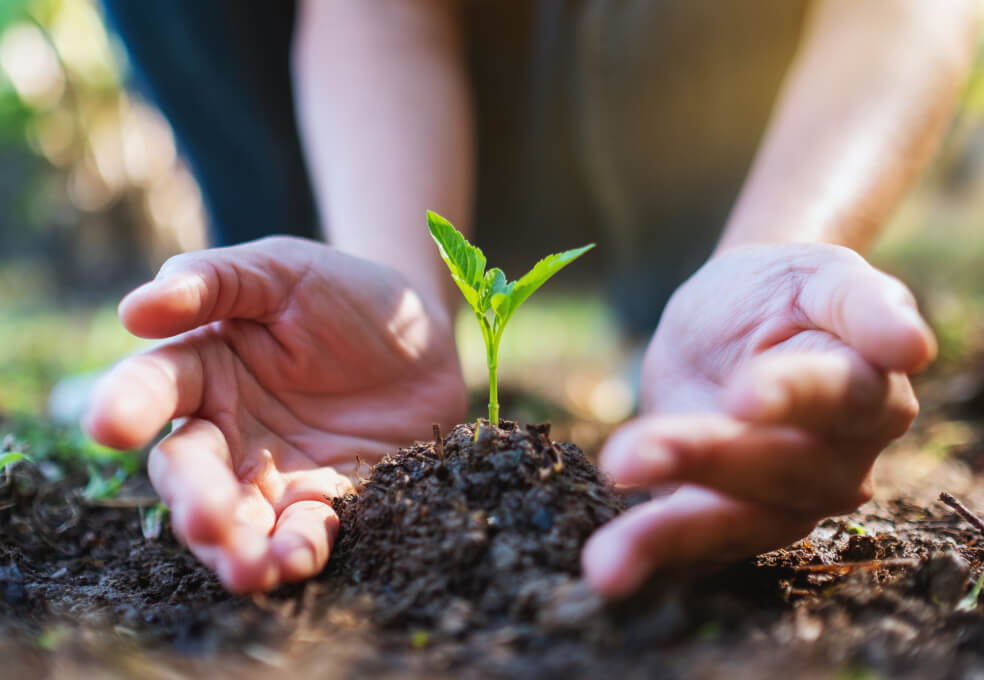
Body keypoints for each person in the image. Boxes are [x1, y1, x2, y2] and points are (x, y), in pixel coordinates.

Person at [83, 0, 978, 596]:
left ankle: (691, 298)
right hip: (396, 131)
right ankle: (300, 307)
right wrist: (398, 291)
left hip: (695, 109)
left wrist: (780, 248)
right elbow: (376, 17)